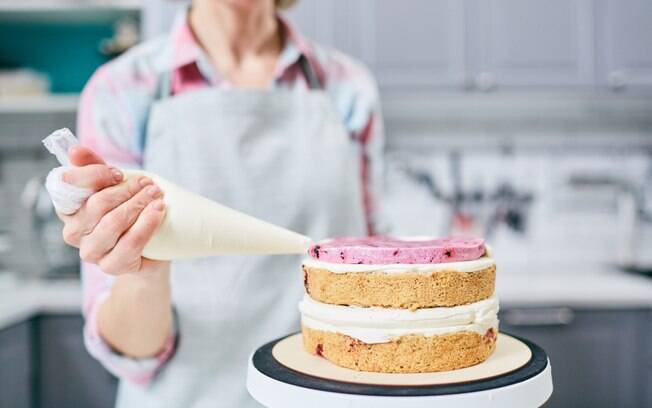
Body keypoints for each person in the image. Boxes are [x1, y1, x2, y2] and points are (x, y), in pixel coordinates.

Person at [58, 0, 384, 406]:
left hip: (333, 395)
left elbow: (372, 272)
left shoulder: (346, 85)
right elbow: (132, 354)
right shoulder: (121, 91)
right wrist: (141, 271)